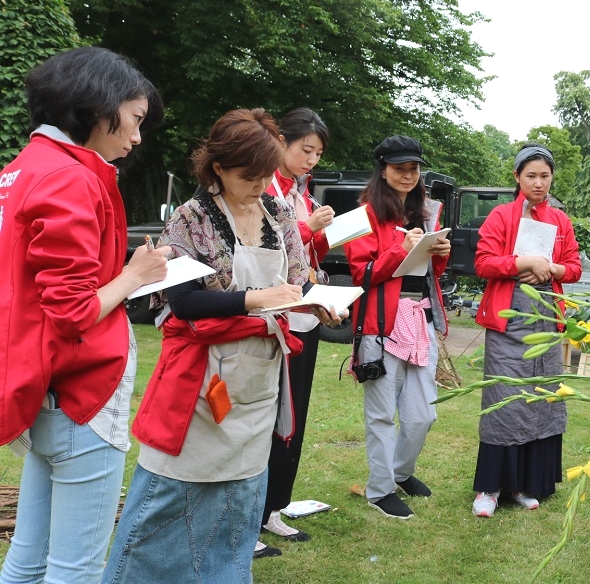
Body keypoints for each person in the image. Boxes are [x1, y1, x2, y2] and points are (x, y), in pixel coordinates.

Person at [102, 109, 342, 582]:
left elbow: (296, 282)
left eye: (264, 174)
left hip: (258, 378)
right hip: (201, 377)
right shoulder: (191, 220)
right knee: (169, 499)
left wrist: (318, 304)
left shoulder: (277, 215)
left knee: (238, 506)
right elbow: (184, 302)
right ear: (217, 168)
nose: (259, 185)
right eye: (247, 175)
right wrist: (256, 298)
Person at [0, 47, 169, 584]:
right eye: (135, 119)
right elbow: (73, 311)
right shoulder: (70, 177)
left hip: (40, 385)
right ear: (99, 106)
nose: (138, 137)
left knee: (26, 561)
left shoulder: (19, 170)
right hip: (81, 393)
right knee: (76, 570)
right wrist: (135, 275)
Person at [471, 143, 581, 518]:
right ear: (517, 177)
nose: (538, 183)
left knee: (541, 399)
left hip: (546, 316)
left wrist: (554, 269)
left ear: (552, 179)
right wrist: (521, 262)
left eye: (545, 176)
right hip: (509, 315)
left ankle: (526, 484)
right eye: (530, 175)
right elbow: (484, 262)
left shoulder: (560, 220)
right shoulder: (501, 215)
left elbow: (574, 267)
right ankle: (489, 488)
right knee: (505, 397)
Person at [343, 134, 450, 520]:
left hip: (419, 318)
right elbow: (362, 274)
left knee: (423, 414)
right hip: (379, 325)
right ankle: (380, 488)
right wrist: (399, 250)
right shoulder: (364, 214)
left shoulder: (424, 212)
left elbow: (426, 274)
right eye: (400, 168)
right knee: (382, 413)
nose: (408, 175)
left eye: (414, 168)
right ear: (383, 169)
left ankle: (401, 473)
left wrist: (439, 254)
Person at [258, 108, 335, 549]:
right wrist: (308, 226)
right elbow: (268, 246)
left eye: (318, 154)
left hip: (305, 314)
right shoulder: (262, 186)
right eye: (305, 149)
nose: (311, 160)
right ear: (280, 141)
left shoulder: (299, 192)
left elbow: (303, 250)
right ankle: (253, 510)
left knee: (295, 415)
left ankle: (274, 507)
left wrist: (321, 232)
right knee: (268, 416)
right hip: (274, 317)